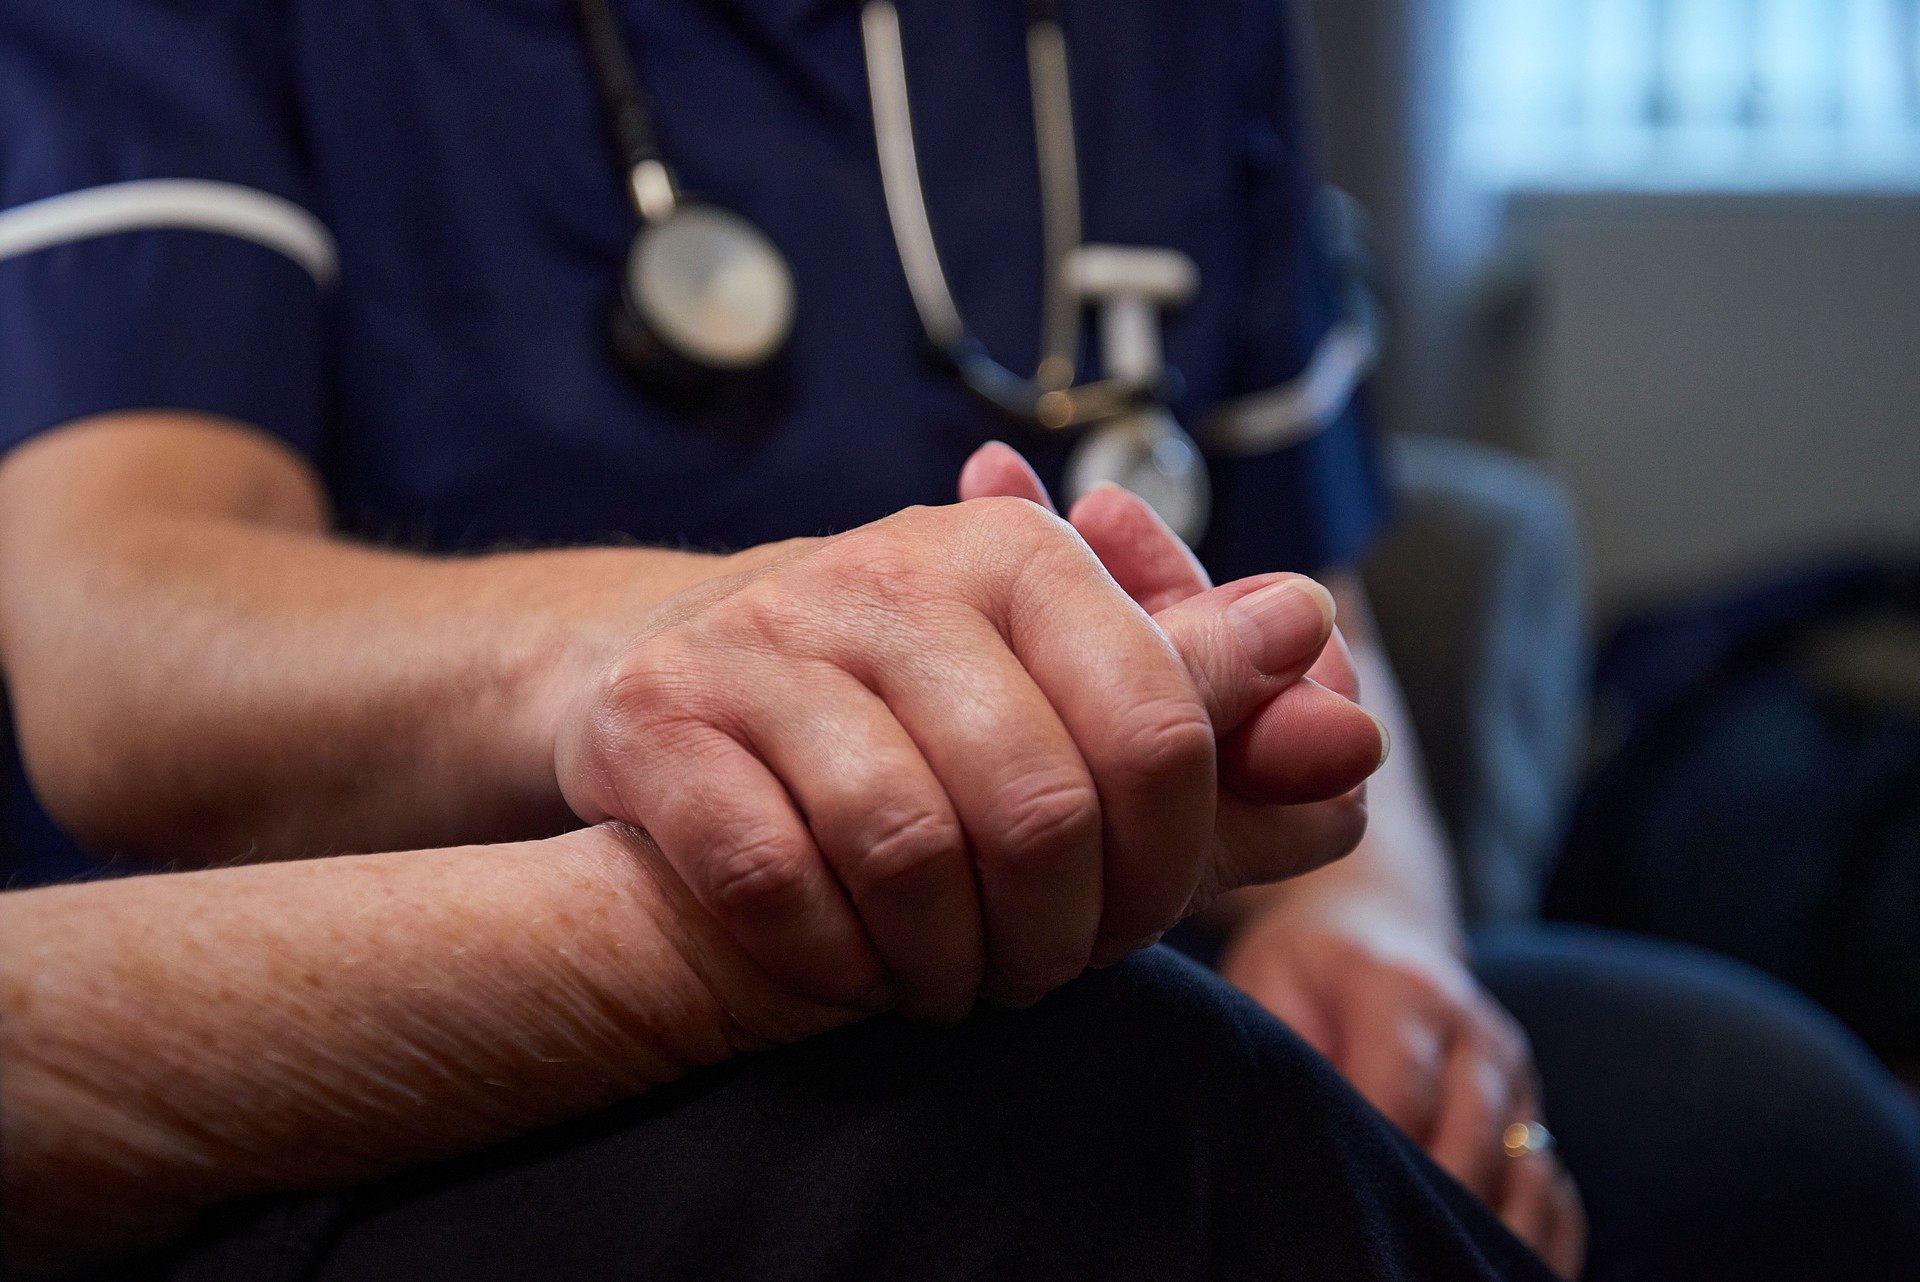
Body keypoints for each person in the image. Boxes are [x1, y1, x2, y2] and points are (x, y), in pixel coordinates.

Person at [1, 1, 1916, 1278]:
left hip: (1103, 949)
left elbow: (1299, 605)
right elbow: (119, 629)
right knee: (1090, 1128)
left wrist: (1369, 919)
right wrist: (679, 645)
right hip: (457, 1017)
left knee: (1752, 1126)